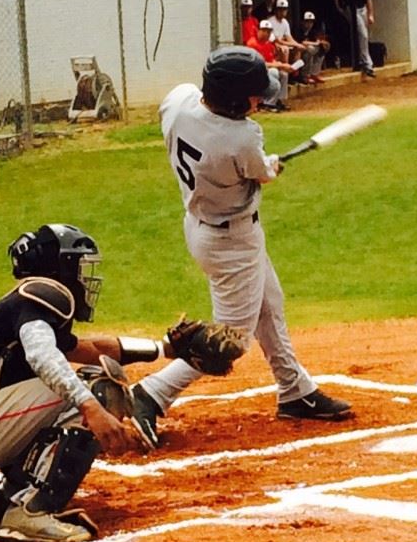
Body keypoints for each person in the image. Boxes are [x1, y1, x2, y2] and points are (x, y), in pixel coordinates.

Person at [0, 224, 244, 542]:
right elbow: (43, 357)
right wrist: (91, 407)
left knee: (93, 374)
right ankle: (31, 511)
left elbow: (91, 351)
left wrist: (165, 349)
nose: (84, 275)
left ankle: (6, 496)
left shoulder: (28, 305)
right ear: (59, 266)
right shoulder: (44, 293)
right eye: (78, 264)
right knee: (99, 384)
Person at [129, 46, 353, 448]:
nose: (259, 99)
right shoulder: (242, 137)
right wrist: (270, 166)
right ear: (234, 99)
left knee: (270, 306)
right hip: (231, 242)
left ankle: (294, 390)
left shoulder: (179, 101)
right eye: (253, 94)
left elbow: (240, 160)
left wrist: (262, 166)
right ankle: (150, 393)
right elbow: (261, 172)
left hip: (203, 226)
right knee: (229, 342)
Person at [334, 0, 376, 77]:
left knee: (364, 35)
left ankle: (362, 60)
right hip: (352, 9)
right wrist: (338, 5)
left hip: (362, 9)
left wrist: (371, 14)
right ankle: (368, 63)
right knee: (362, 34)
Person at [246, 19, 295, 111]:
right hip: (255, 72)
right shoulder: (252, 43)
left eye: (268, 31)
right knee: (274, 72)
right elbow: (259, 64)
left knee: (284, 74)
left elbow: (271, 59)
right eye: (264, 30)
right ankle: (267, 103)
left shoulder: (268, 44)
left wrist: (281, 63)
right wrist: (279, 66)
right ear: (258, 30)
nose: (267, 33)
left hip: (266, 69)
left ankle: (278, 100)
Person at [297, 11, 330, 84]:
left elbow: (317, 40)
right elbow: (302, 42)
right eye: (307, 22)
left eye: (311, 22)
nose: (309, 24)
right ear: (302, 22)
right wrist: (315, 43)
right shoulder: (299, 30)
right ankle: (305, 76)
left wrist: (321, 43)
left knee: (322, 48)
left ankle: (314, 74)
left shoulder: (312, 31)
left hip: (308, 51)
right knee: (310, 49)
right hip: (298, 52)